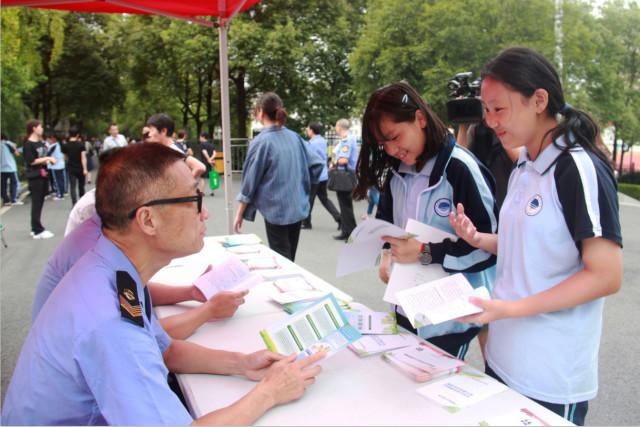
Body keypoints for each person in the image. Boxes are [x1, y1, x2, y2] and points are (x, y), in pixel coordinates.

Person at [3, 143, 324, 425]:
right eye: (193, 199)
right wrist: (269, 393)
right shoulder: (109, 319)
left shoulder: (113, 268)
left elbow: (165, 350)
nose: (205, 213)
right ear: (147, 220)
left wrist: (243, 363)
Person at [448, 47, 622, 426]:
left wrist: (508, 309)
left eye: (499, 109)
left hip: (550, 375)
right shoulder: (526, 163)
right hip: (503, 357)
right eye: (486, 110)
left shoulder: (577, 167)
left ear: (539, 100)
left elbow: (606, 275)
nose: (490, 121)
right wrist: (479, 238)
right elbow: (528, 247)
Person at [355, 81, 497, 360]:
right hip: (406, 305)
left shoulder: (460, 169)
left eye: (395, 137)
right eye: (383, 144)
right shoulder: (395, 171)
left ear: (419, 118)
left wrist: (424, 252)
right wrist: (386, 253)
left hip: (449, 318)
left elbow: (488, 249)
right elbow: (388, 220)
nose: (392, 150)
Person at [234, 92, 323, 261]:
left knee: (282, 259)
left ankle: (290, 286)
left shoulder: (261, 142)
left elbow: (250, 181)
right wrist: (303, 187)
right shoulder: (294, 137)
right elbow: (317, 164)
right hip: (296, 205)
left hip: (276, 208)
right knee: (290, 257)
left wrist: (240, 212)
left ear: (260, 111)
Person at [301, 122, 341, 230]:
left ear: (312, 130)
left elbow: (309, 159)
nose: (307, 131)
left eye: (308, 129)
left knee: (309, 199)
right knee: (324, 199)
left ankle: (306, 223)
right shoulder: (323, 141)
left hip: (315, 175)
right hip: (323, 174)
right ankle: (339, 218)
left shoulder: (312, 144)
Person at [23, 119, 57, 239]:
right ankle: (38, 230)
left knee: (40, 202)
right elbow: (31, 161)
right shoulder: (28, 144)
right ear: (34, 128)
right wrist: (47, 158)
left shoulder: (41, 143)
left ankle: (34, 227)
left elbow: (42, 157)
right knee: (37, 202)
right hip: (35, 176)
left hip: (43, 175)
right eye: (40, 126)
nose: (42, 129)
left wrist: (48, 160)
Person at [146, 113, 206, 178]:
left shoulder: (172, 150)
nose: (149, 134)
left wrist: (185, 186)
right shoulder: (166, 149)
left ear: (163, 131)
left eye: (151, 130)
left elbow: (200, 167)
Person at [331, 118, 359, 240]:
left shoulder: (346, 140)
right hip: (346, 175)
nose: (335, 128)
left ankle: (350, 232)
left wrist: (334, 163)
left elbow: (343, 160)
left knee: (345, 205)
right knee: (345, 205)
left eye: (336, 126)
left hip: (345, 175)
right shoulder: (349, 138)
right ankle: (347, 231)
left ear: (339, 127)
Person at [62, 127, 88, 206]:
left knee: (72, 186)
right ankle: (82, 203)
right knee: (81, 186)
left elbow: (65, 157)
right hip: (80, 167)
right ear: (77, 135)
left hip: (71, 167)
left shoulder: (65, 146)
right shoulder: (81, 145)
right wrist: (85, 169)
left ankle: (74, 203)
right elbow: (83, 157)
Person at [1, 134, 22, 206]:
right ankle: (13, 199)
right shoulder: (8, 144)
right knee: (14, 183)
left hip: (2, 168)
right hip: (10, 167)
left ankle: (5, 200)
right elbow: (17, 153)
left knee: (3, 185)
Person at [46, 134, 67, 200]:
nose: (50, 140)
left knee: (57, 180)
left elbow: (48, 154)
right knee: (61, 179)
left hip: (55, 165)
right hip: (61, 164)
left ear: (55, 139)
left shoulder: (53, 146)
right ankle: (62, 192)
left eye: (51, 138)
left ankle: (60, 195)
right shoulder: (61, 145)